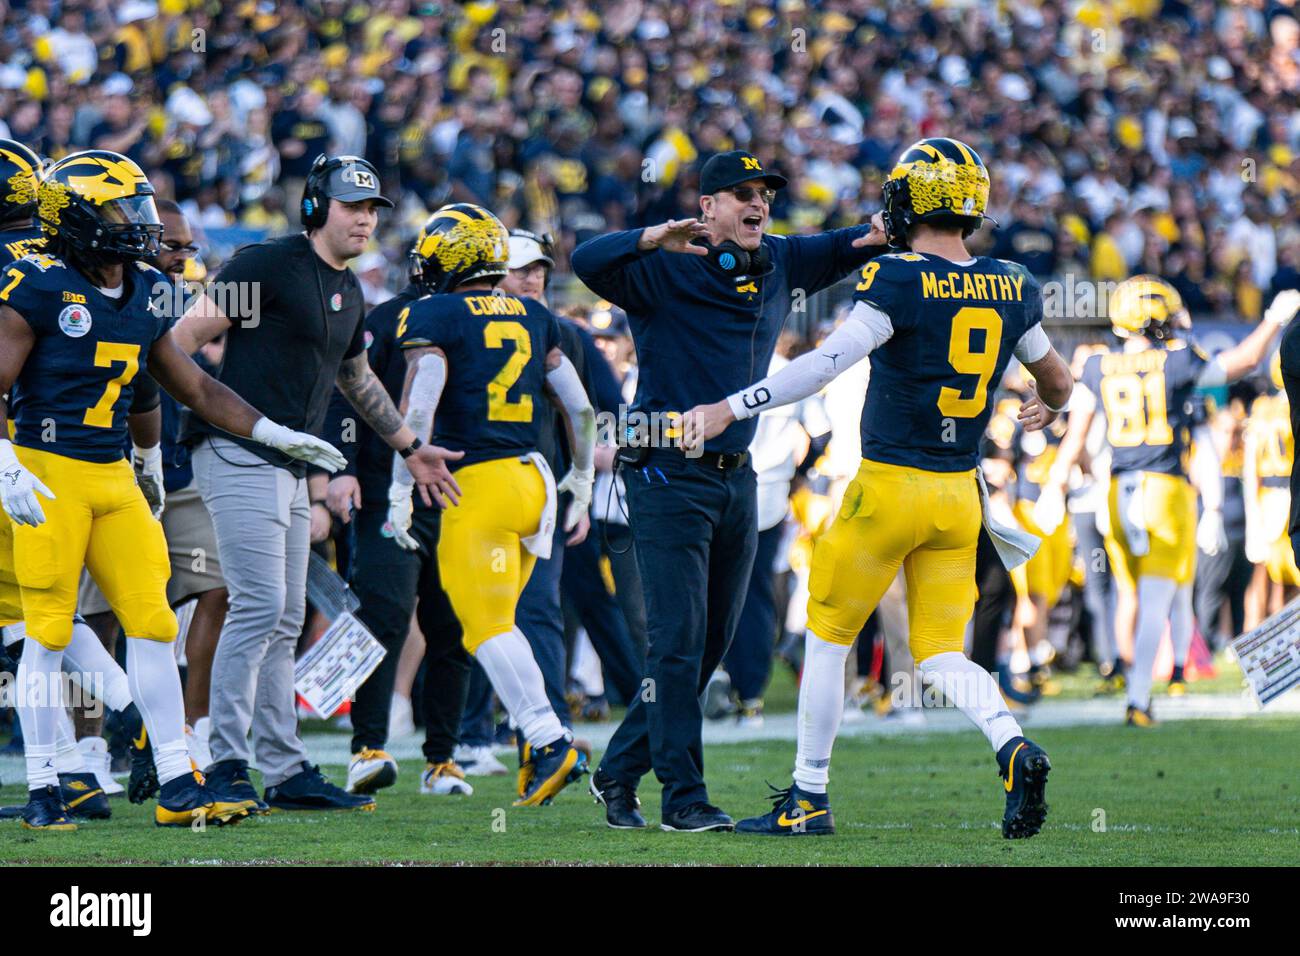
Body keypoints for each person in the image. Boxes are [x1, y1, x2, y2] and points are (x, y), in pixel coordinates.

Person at [684, 138, 1074, 839]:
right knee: (941, 651)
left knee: (830, 638)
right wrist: (1052, 406)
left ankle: (808, 795)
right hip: (961, 497)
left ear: (913, 200)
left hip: (888, 487)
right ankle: (1011, 745)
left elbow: (822, 366)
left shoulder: (897, 277)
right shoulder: (1014, 282)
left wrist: (730, 407)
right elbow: (1059, 380)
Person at [0, 149, 347, 829]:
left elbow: (192, 386)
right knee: (44, 633)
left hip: (113, 475)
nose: (139, 221)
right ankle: (47, 787)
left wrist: (276, 435)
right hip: (47, 473)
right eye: (122, 208)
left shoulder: (145, 290)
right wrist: (6, 465)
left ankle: (177, 779)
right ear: (78, 216)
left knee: (155, 624)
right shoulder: (34, 284)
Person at [572, 149, 885, 832]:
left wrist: (903, 222)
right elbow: (586, 260)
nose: (758, 204)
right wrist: (654, 235)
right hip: (663, 471)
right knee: (677, 642)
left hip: (736, 477)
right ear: (706, 207)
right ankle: (683, 799)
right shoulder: (661, 267)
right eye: (741, 194)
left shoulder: (780, 260)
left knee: (709, 641)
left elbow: (861, 240)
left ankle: (620, 768)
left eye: (765, 194)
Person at [169, 154, 462, 812]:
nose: (364, 218)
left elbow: (355, 378)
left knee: (283, 616)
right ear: (313, 209)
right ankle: (225, 762)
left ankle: (284, 766)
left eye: (372, 209)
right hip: (236, 447)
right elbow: (183, 338)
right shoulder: (265, 264)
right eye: (352, 206)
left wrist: (411, 447)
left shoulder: (350, 288)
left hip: (293, 463)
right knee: (258, 607)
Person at [387, 203, 597, 807]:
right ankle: (541, 747)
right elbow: (579, 409)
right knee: (506, 622)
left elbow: (422, 396)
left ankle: (549, 737)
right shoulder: (534, 314)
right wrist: (580, 480)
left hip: (475, 486)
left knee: (485, 626)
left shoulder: (433, 312)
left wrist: (403, 486)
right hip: (534, 481)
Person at [1040, 279, 1299, 725]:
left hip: (1114, 492)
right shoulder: (1177, 361)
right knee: (1162, 596)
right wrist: (1274, 319)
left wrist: (1053, 486)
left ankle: (1127, 674)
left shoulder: (1099, 364)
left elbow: (1077, 431)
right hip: (1163, 489)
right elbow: (1246, 360)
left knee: (1130, 595)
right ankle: (1140, 697)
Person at [322, 212, 473, 798]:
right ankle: (366, 747)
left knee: (453, 627)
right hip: (391, 490)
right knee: (380, 618)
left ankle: (443, 758)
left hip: (458, 493)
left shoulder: (486, 324)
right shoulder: (386, 318)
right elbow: (345, 393)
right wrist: (339, 469)